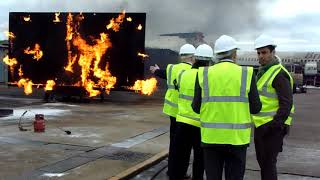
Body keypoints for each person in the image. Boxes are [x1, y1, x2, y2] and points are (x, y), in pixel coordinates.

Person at [192, 35, 261, 180]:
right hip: (237, 140)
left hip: (211, 139)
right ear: (234, 53)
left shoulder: (203, 73)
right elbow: (256, 108)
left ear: (216, 54)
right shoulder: (247, 74)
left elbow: (196, 107)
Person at [252, 34, 294, 180]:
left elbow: (286, 104)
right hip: (261, 125)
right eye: (258, 53)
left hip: (271, 127)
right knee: (264, 164)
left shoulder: (279, 74)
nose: (261, 56)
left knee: (268, 164)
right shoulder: (263, 72)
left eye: (264, 52)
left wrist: (274, 126)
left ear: (273, 52)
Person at [150, 44, 195, 177]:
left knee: (174, 144)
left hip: (172, 112)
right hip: (185, 113)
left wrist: (156, 70)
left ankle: (172, 170)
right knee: (185, 146)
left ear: (181, 56)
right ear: (192, 57)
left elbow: (163, 73)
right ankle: (182, 172)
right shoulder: (193, 71)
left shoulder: (172, 68)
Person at [171, 44, 213, 180]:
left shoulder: (182, 74)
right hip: (201, 125)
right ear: (209, 61)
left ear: (194, 59)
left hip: (182, 123)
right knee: (200, 160)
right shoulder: (209, 77)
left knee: (180, 158)